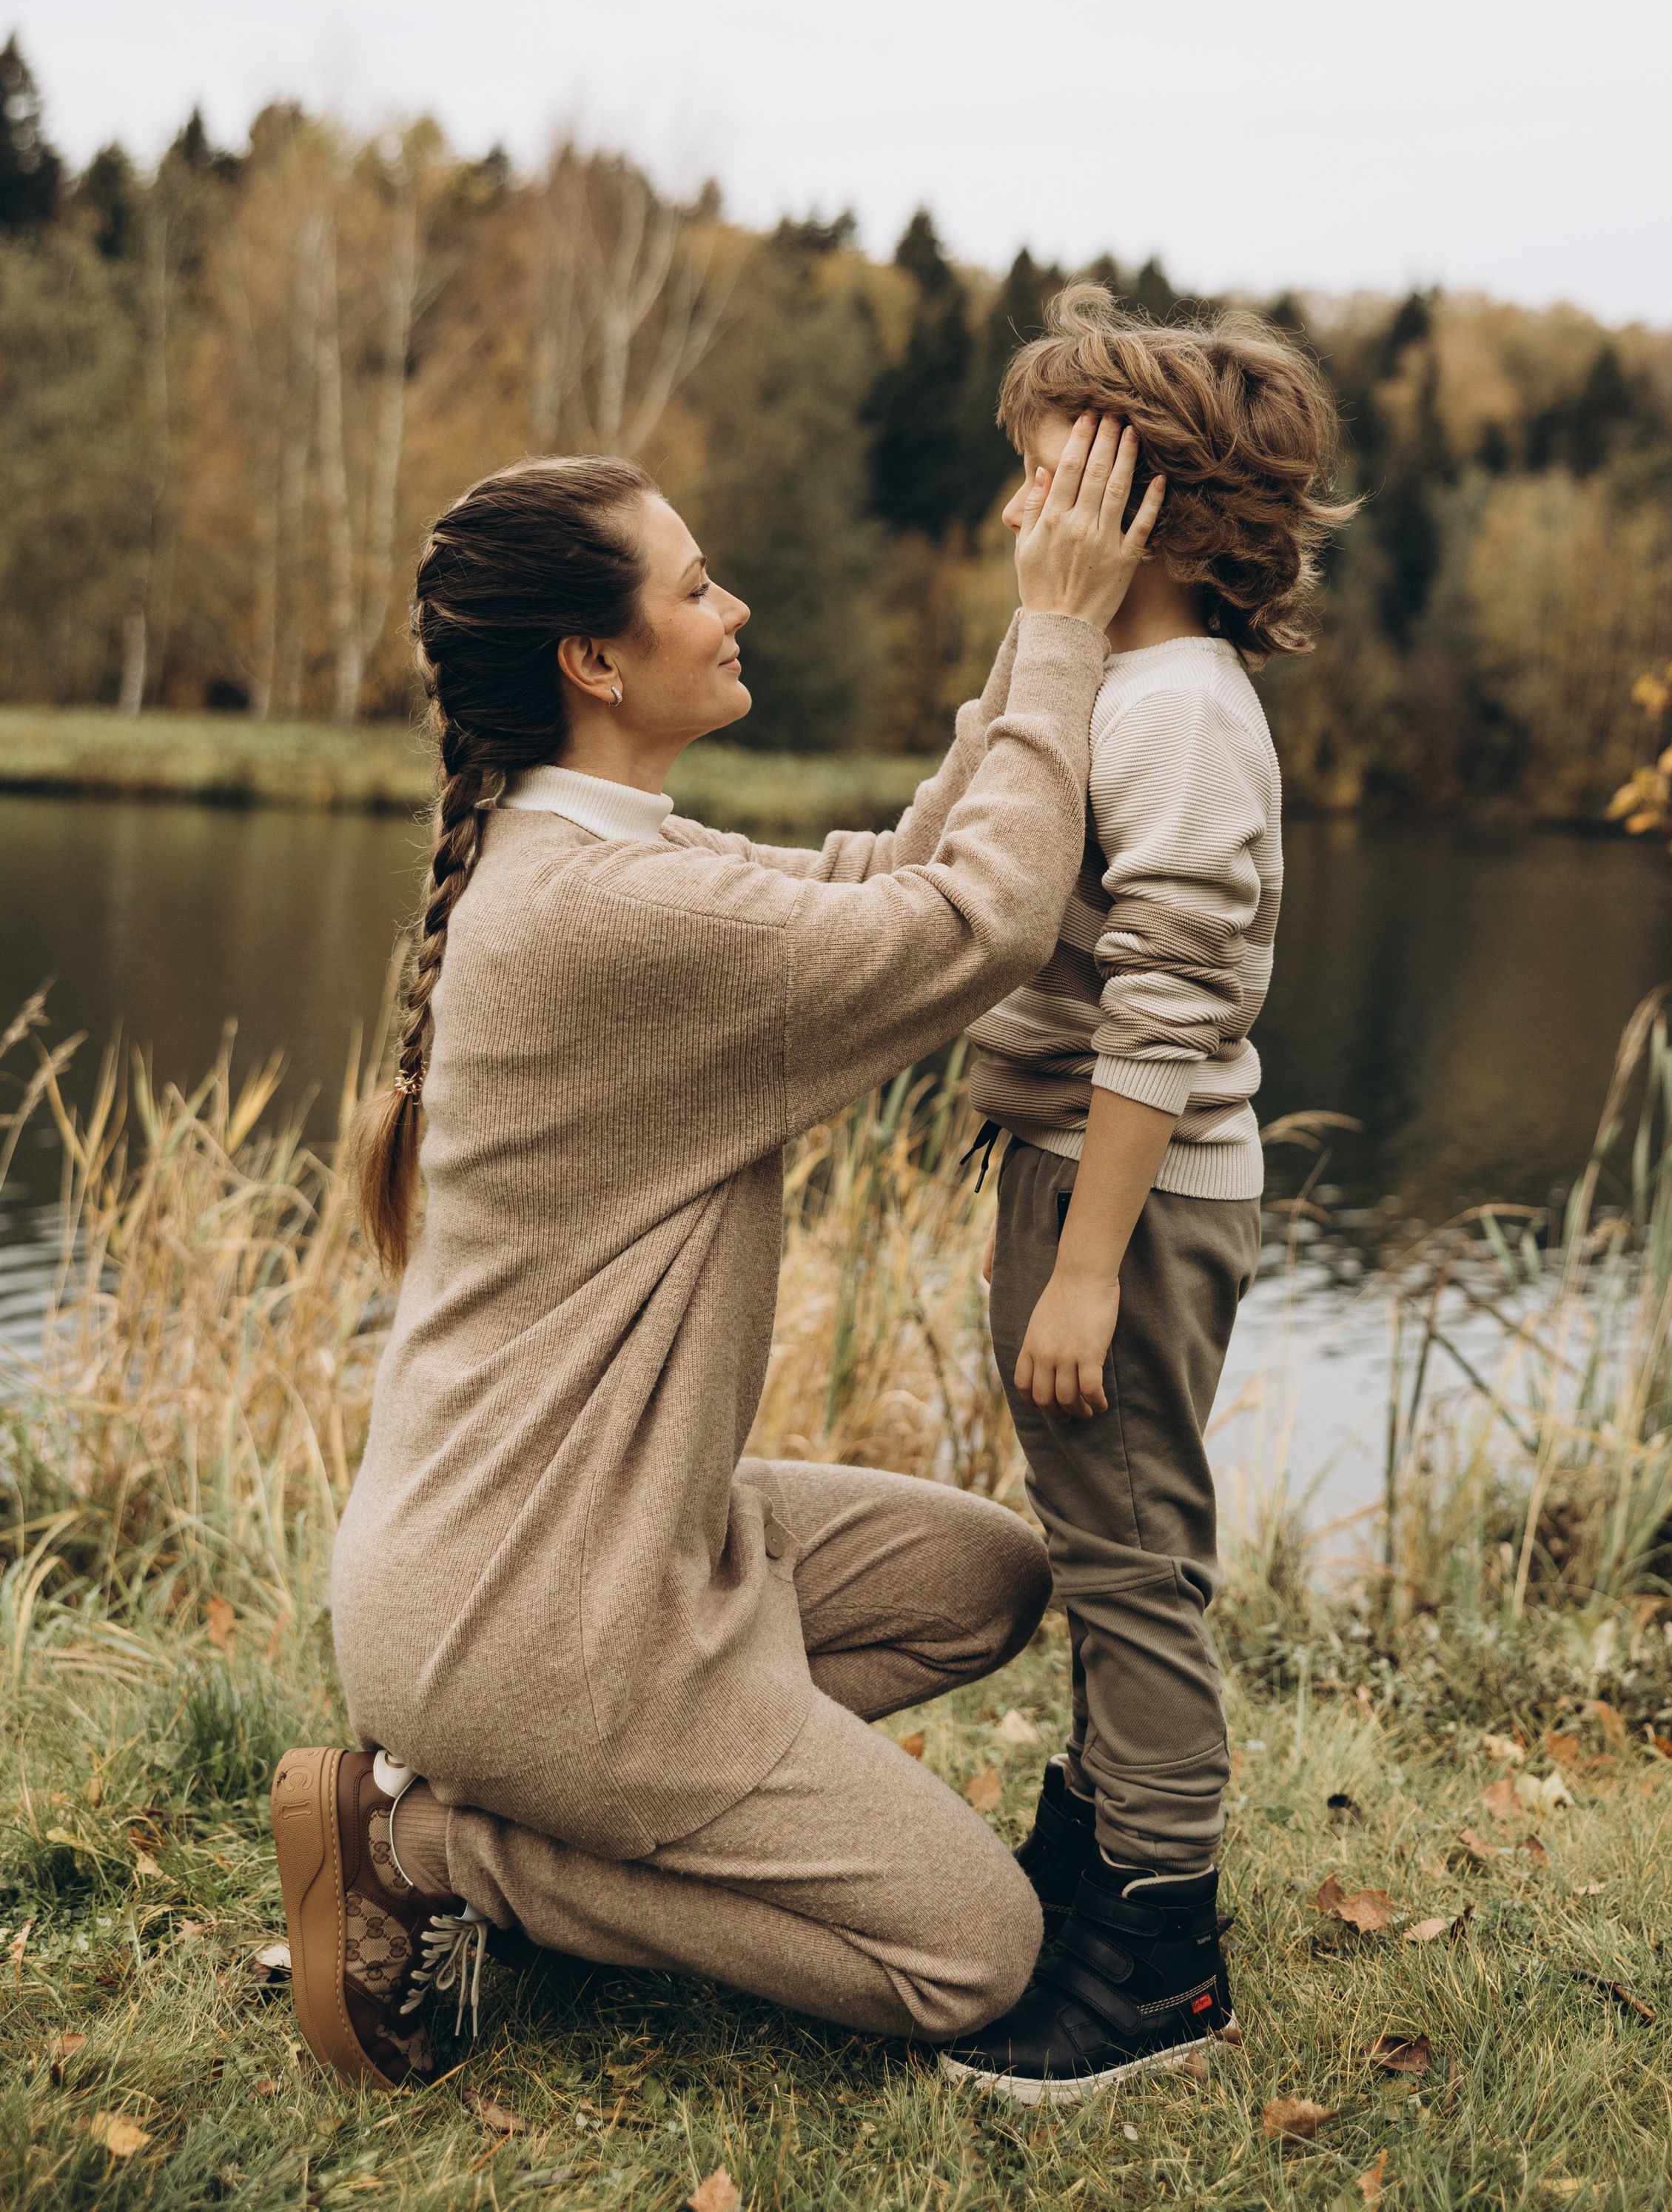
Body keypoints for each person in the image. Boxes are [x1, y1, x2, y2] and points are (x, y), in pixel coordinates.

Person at [269, 420, 1164, 2088]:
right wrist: (1058, 634)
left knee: (984, 1583)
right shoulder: (602, 914)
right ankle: (438, 1850)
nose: (733, 606)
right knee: (971, 1953)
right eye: (696, 588)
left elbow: (902, 876)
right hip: (533, 1618)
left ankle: (593, 1785)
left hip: (594, 1552)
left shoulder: (612, 858)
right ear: (596, 660)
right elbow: (981, 923)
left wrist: (1038, 624)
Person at [937, 286, 1351, 2101]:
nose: (1013, 514)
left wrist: (1088, 1264)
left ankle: (1158, 1959)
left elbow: (1170, 994)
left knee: (1126, 1569)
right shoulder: (1114, 682)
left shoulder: (1177, 709)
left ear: (1148, 515)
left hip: (1130, 1197)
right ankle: (1092, 1865)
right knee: (1117, 1541)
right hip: (1086, 1182)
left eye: (1046, 480)